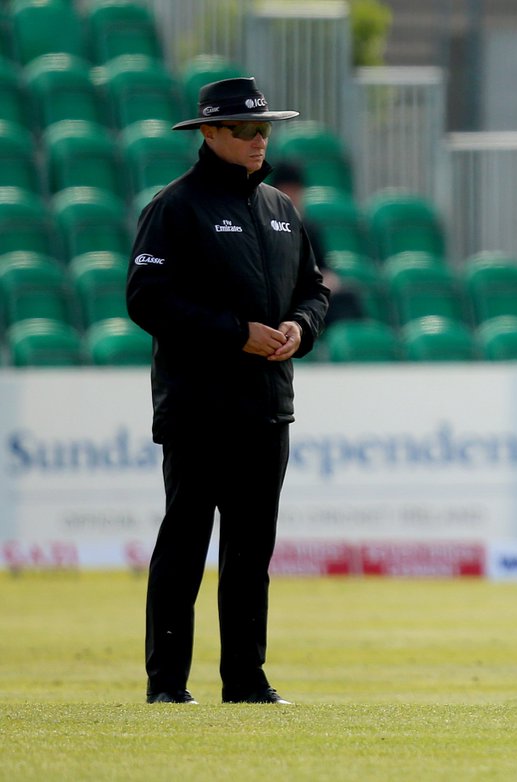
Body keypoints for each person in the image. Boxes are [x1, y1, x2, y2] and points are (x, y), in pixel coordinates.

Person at [127, 77, 329, 705]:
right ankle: (167, 686)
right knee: (184, 544)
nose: (256, 139)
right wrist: (233, 335)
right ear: (209, 133)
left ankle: (245, 681)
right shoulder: (175, 207)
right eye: (243, 130)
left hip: (267, 408)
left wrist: (301, 327)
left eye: (263, 129)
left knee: (251, 552)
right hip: (197, 408)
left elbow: (314, 291)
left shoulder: (279, 208)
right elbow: (146, 299)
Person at [269, 161, 366, 326]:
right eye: (288, 191)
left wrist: (325, 283)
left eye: (297, 191)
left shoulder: (308, 228)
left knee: (348, 299)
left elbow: (324, 269)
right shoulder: (266, 227)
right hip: (283, 297)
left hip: (308, 293)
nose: (294, 197)